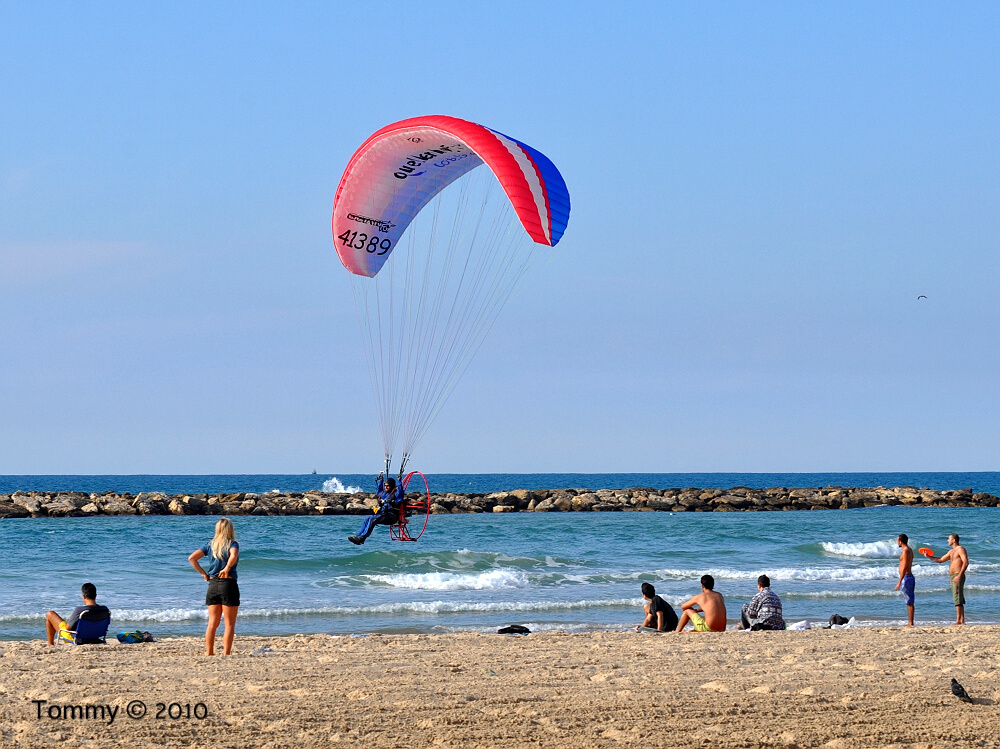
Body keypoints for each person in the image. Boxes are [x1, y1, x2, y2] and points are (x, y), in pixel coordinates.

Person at [189, 518, 240, 655]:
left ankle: (209, 652)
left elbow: (192, 558)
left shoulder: (210, 545)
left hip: (213, 585)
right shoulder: (232, 544)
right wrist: (227, 568)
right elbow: (233, 555)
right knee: (229, 624)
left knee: (212, 623)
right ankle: (226, 653)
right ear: (230, 530)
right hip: (228, 584)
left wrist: (204, 574)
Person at [348, 471, 405, 545]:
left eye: (388, 486)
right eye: (385, 485)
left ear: (392, 486)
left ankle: (362, 538)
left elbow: (400, 492)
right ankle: (358, 536)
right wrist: (381, 480)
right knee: (367, 519)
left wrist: (399, 481)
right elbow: (379, 490)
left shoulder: (396, 495)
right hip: (383, 515)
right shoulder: (384, 494)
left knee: (373, 519)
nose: (386, 487)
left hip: (391, 517)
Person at [45, 582, 111, 645]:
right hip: (95, 638)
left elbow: (68, 628)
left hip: (78, 639)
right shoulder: (105, 610)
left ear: (84, 596)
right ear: (96, 595)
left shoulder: (80, 611)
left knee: (50, 614)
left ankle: (50, 644)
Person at [929, 533, 969, 625]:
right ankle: (962, 621)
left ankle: (959, 620)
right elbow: (940, 560)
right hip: (953, 576)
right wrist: (928, 556)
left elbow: (966, 562)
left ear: (954, 540)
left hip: (958, 575)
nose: (947, 540)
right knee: (958, 597)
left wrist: (959, 575)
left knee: (957, 597)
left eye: (949, 539)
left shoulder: (960, 549)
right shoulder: (951, 552)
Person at [894, 534, 915, 627]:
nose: (897, 542)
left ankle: (911, 622)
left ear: (900, 541)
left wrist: (899, 581)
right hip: (908, 577)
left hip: (906, 577)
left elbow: (905, 567)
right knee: (909, 600)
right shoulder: (909, 550)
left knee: (909, 601)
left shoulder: (906, 551)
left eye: (897, 540)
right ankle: (910, 621)